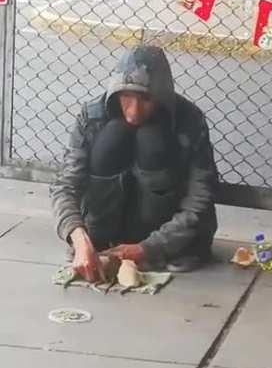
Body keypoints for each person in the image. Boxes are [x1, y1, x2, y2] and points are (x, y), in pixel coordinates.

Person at [50, 45, 218, 282]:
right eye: (126, 97)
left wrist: (147, 248)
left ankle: (145, 245)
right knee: (113, 136)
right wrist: (79, 239)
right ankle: (100, 241)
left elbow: (200, 199)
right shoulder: (92, 116)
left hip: (163, 233)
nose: (133, 112)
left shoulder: (189, 120)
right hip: (106, 227)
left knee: (151, 141)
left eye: (145, 100)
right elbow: (65, 186)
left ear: (161, 98)